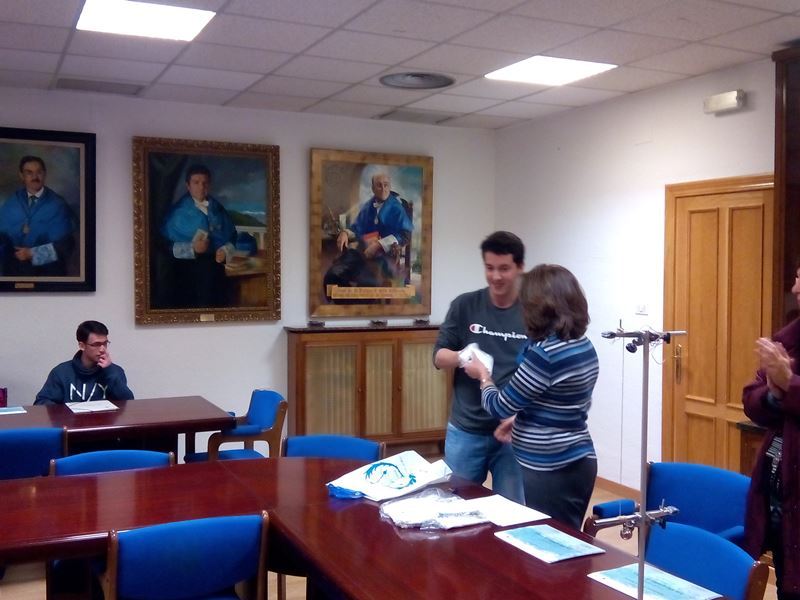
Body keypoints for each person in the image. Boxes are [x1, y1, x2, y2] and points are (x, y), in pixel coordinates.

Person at [463, 264, 599, 529]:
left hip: (551, 468)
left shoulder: (545, 354)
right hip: (577, 459)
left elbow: (499, 406)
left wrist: (483, 375)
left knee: (551, 540)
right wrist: (521, 419)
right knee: (566, 537)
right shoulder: (583, 345)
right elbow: (563, 402)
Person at [433, 231, 528, 503]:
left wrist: (522, 417)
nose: (495, 276)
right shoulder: (465, 305)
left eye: (504, 269)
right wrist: (463, 356)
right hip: (466, 430)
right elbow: (439, 357)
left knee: (513, 513)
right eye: (489, 268)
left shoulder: (532, 311)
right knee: (455, 508)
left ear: (520, 267)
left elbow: (543, 373)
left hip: (512, 431)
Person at [743, 264, 800, 599]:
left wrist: (789, 383)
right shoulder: (787, 340)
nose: (795, 290)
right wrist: (774, 394)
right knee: (787, 586)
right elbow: (751, 399)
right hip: (781, 502)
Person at [161, 164, 237, 308]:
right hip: (186, 273)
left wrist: (225, 251)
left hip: (215, 272)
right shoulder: (177, 212)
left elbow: (232, 236)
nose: (201, 187)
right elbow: (164, 245)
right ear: (188, 185)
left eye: (205, 183)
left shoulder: (218, 209)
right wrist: (192, 248)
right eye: (196, 182)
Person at [325, 172, 413, 291]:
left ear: (390, 186)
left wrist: (378, 245)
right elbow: (357, 227)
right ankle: (347, 300)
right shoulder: (369, 205)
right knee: (334, 274)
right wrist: (345, 233)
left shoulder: (397, 208)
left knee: (366, 283)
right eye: (379, 185)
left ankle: (359, 300)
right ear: (373, 189)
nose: (383, 189)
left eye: (386, 185)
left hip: (386, 255)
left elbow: (405, 235)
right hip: (363, 251)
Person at [0, 155, 75, 276]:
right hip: (14, 273)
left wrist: (33, 253)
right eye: (29, 173)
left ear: (44, 174)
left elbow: (66, 246)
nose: (35, 177)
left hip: (47, 273)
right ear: (21, 176)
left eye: (39, 172)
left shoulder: (58, 204)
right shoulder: (12, 202)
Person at [35, 320, 133, 405]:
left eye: (105, 343)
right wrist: (65, 413)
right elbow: (41, 403)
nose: (102, 349)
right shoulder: (61, 372)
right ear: (82, 346)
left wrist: (109, 371)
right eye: (96, 344)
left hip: (105, 421)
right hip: (71, 420)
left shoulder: (115, 371)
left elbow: (128, 403)